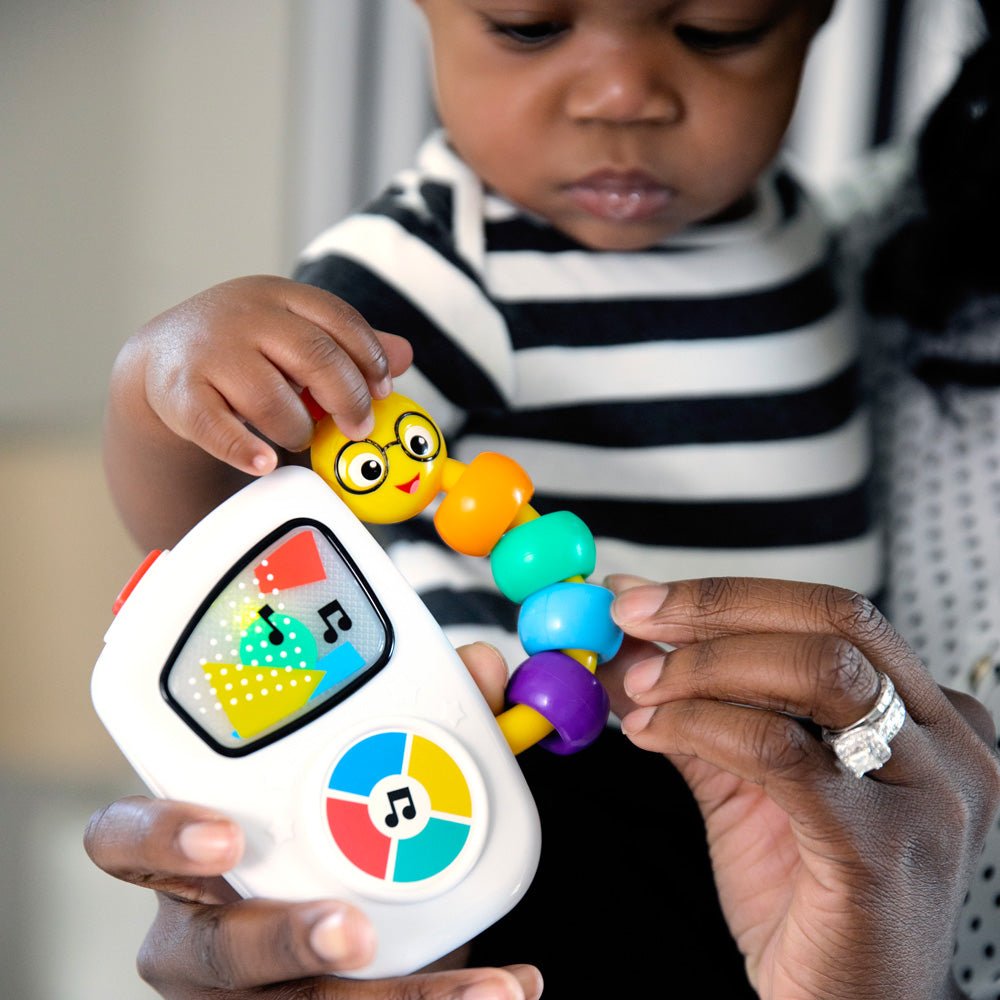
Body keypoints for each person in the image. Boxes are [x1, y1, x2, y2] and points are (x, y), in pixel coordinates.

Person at [83, 0, 1000, 996]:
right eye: (528, 26)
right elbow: (234, 534)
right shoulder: (437, 265)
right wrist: (158, 392)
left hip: (790, 801)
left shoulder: (812, 232)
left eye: (717, 29)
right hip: (543, 773)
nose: (623, 95)